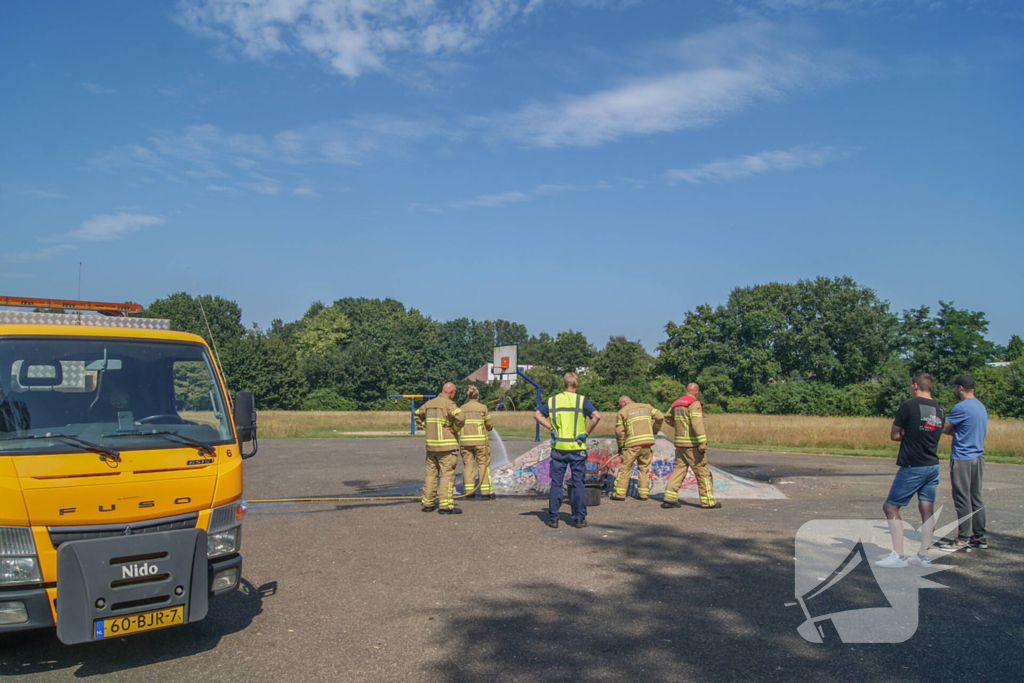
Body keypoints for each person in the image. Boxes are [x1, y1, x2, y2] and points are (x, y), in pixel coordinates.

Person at [875, 372, 944, 568]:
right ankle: (923, 555)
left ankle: (898, 555)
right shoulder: (939, 409)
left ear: (915, 386)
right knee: (926, 508)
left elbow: (894, 434)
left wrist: (906, 434)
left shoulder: (908, 406)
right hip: (933, 464)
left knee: (890, 507)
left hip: (913, 465)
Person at [533, 372, 601, 529]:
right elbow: (596, 416)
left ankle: (554, 518)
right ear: (576, 385)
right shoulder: (581, 400)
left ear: (563, 385)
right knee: (578, 483)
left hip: (559, 448)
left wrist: (551, 427)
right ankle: (578, 518)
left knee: (557, 483)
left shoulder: (553, 400)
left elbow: (537, 415)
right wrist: (586, 432)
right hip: (577, 448)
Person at [938, 374, 988, 553]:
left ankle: (963, 538)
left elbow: (945, 428)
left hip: (962, 457)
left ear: (960, 388)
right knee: (976, 497)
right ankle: (979, 537)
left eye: (955, 387)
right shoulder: (980, 406)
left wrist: (951, 431)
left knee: (962, 498)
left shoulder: (961, 407)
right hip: (978, 456)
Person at [662, 383, 720, 510]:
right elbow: (697, 423)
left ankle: (669, 499)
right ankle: (708, 501)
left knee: (678, 470)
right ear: (696, 393)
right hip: (692, 445)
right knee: (702, 472)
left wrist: (679, 426)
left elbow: (667, 418)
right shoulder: (694, 404)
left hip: (679, 444)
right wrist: (702, 442)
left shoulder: (676, 403)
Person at [414, 382, 466, 515]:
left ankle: (428, 503)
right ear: (450, 393)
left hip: (431, 447)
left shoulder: (429, 404)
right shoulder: (449, 404)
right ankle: (445, 505)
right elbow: (461, 417)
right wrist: (454, 429)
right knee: (447, 476)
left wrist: (427, 425)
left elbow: (416, 414)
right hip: (446, 447)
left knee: (431, 475)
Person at [611, 395, 664, 501]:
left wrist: (621, 446)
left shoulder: (623, 411)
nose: (620, 407)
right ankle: (643, 494)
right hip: (647, 443)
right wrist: (654, 431)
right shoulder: (647, 407)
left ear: (624, 402)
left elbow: (619, 432)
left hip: (632, 445)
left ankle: (619, 494)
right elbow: (660, 417)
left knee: (625, 468)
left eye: (620, 404)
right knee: (644, 468)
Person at [459, 386, 495, 500]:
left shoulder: (462, 408)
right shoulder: (483, 408)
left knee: (468, 466)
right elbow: (488, 425)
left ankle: (469, 491)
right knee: (483, 466)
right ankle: (486, 492)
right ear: (477, 397)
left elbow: (458, 423)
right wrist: (490, 427)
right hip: (480, 442)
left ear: (468, 396)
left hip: (465, 442)